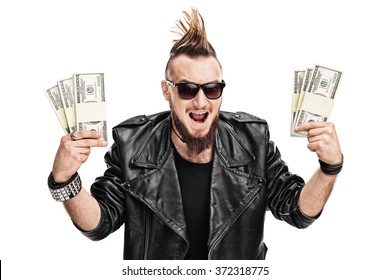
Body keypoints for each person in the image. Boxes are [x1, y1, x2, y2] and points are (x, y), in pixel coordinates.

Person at [48, 8, 343, 260]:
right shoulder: (132, 144)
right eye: (188, 89)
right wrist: (65, 180)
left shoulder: (254, 140)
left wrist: (330, 168)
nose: (201, 102)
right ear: (167, 91)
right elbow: (100, 224)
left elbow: (297, 211)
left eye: (212, 88)